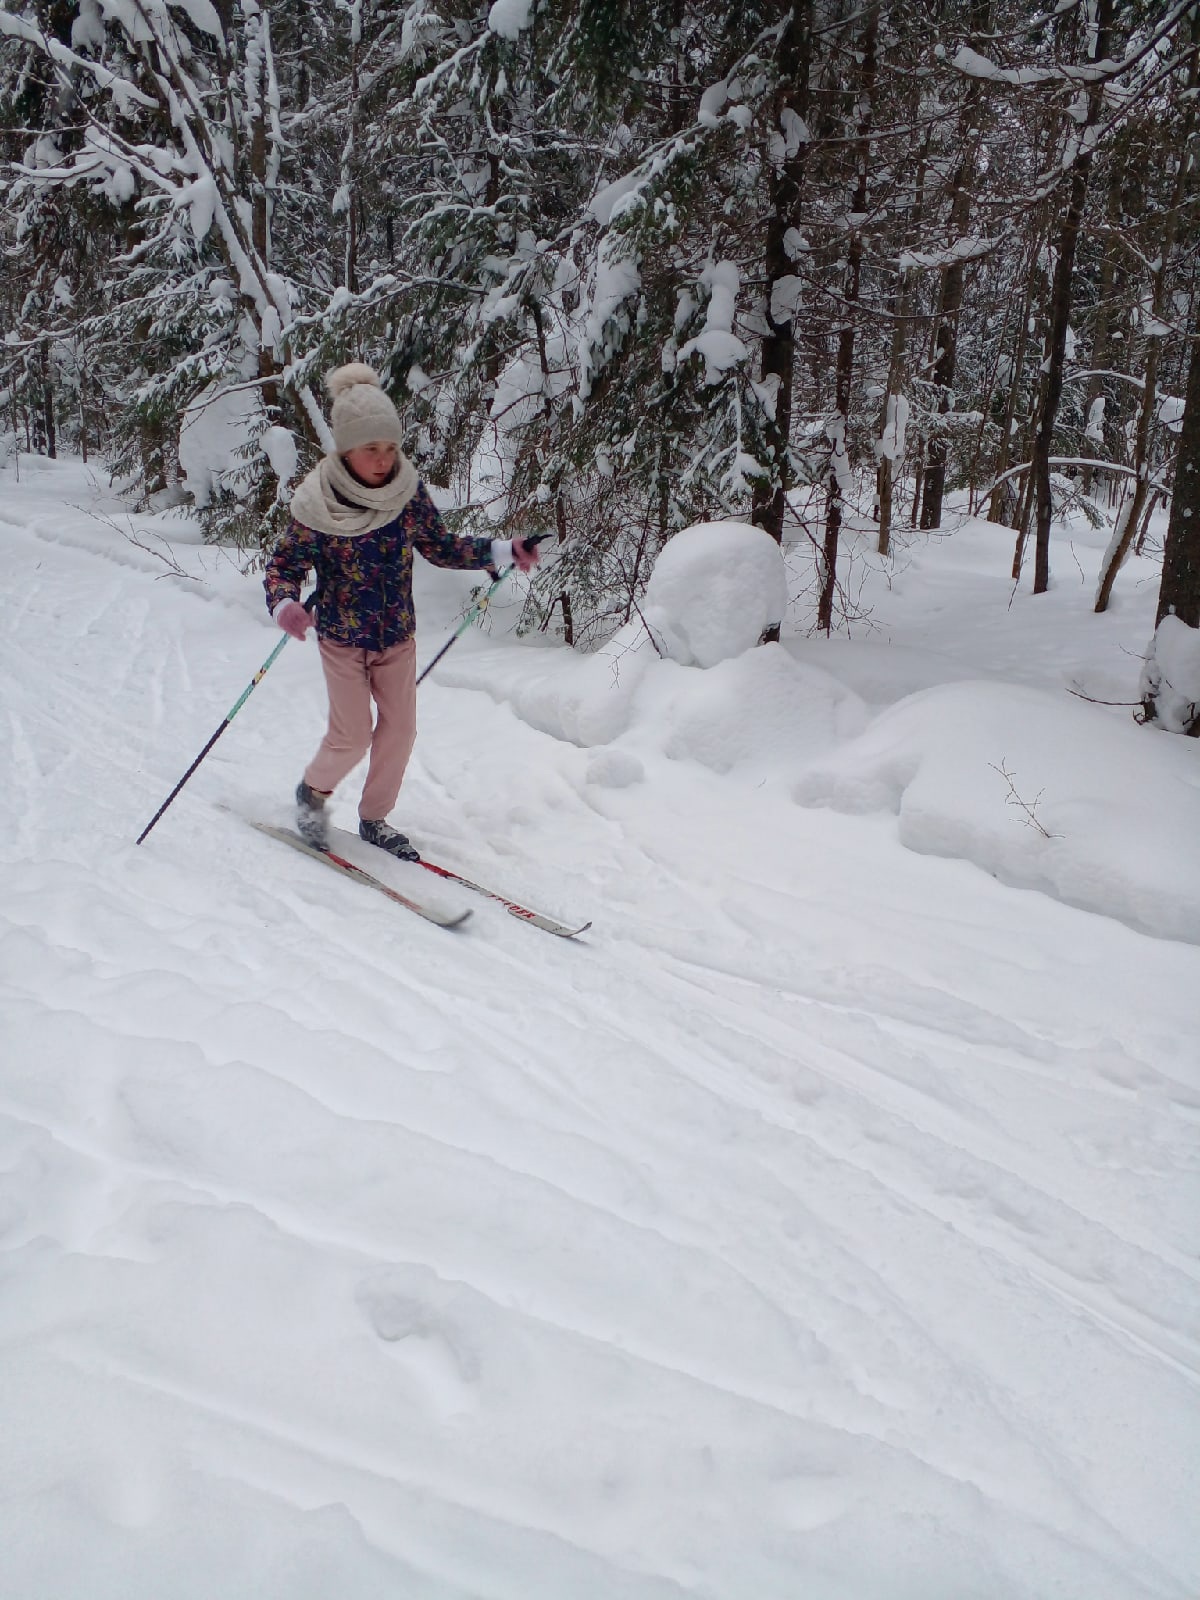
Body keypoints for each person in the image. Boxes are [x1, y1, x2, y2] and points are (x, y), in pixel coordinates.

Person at [263, 362, 539, 859]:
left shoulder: (406, 493)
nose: (384, 458)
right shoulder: (318, 503)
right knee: (350, 736)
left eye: (390, 447)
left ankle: (374, 819)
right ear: (346, 449)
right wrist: (285, 603)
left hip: (395, 636)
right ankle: (313, 795)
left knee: (401, 730)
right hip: (342, 639)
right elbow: (284, 564)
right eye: (372, 448)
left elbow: (441, 545)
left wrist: (503, 550)